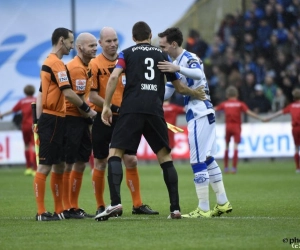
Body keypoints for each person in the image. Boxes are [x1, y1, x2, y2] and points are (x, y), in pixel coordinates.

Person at [97, 21, 205, 221]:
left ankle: (115, 203)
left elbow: (113, 78)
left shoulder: (126, 53)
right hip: (155, 110)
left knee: (115, 153)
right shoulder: (161, 55)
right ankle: (175, 209)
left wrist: (106, 106)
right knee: (165, 158)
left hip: (131, 109)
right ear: (150, 35)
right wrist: (194, 92)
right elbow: (179, 88)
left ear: (133, 37)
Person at [157, 27, 232, 218]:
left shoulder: (188, 58)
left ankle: (204, 209)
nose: (162, 49)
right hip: (202, 113)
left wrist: (177, 69)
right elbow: (168, 91)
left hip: (199, 113)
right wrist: (149, 98)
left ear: (173, 44)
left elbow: (199, 74)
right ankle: (222, 202)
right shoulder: (175, 62)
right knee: (207, 159)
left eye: (164, 45)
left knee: (197, 161)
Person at [89, 27, 159, 216]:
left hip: (126, 119)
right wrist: (112, 108)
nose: (112, 44)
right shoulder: (95, 64)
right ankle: (101, 205)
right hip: (103, 118)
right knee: (101, 162)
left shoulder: (126, 59)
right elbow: (92, 95)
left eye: (114, 40)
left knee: (131, 159)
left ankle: (137, 204)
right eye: (108, 41)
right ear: (100, 43)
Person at [34, 27, 96, 221]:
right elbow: (68, 93)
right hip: (52, 118)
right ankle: (41, 212)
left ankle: (60, 210)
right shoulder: (55, 63)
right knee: (45, 166)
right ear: (62, 41)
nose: (71, 45)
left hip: (58, 118)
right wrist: (88, 110)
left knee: (60, 165)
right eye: (70, 42)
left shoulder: (57, 63)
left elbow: (41, 92)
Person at [61, 32, 98, 219]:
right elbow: (76, 100)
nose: (95, 47)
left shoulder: (88, 65)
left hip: (81, 119)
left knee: (81, 162)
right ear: (80, 47)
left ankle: (74, 206)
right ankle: (66, 207)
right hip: (71, 119)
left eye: (95, 45)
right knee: (69, 163)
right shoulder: (75, 68)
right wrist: (92, 117)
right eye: (91, 45)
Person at [214, 86, 265, 173]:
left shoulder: (225, 104)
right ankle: (234, 168)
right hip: (237, 127)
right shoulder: (240, 104)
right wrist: (260, 118)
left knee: (226, 146)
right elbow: (249, 112)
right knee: (235, 147)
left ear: (227, 95)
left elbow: (214, 109)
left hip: (228, 127)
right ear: (237, 95)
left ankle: (226, 168)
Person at [0, 84, 37, 176]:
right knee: (34, 146)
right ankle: (35, 169)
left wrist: (2, 115)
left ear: (25, 92)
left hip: (25, 126)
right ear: (33, 91)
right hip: (35, 125)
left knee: (26, 146)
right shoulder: (37, 100)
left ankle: (28, 168)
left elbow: (12, 110)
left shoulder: (22, 101)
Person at [265, 88, 300, 173]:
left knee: (296, 148)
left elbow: (280, 112)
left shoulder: (291, 106)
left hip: (295, 129)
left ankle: (298, 168)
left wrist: (269, 118)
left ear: (294, 97)